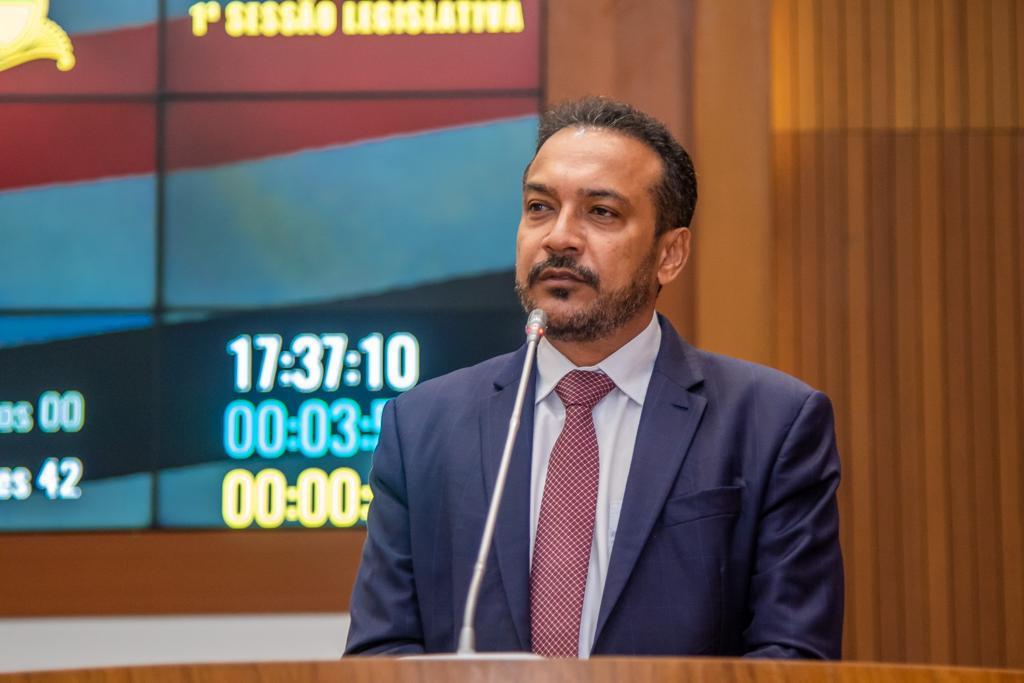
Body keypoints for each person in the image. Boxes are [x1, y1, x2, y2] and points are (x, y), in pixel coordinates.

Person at [344, 97, 843, 659]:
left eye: (601, 212)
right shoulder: (421, 426)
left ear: (670, 253)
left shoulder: (773, 424)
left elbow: (794, 658)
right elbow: (380, 654)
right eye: (539, 207)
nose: (559, 237)